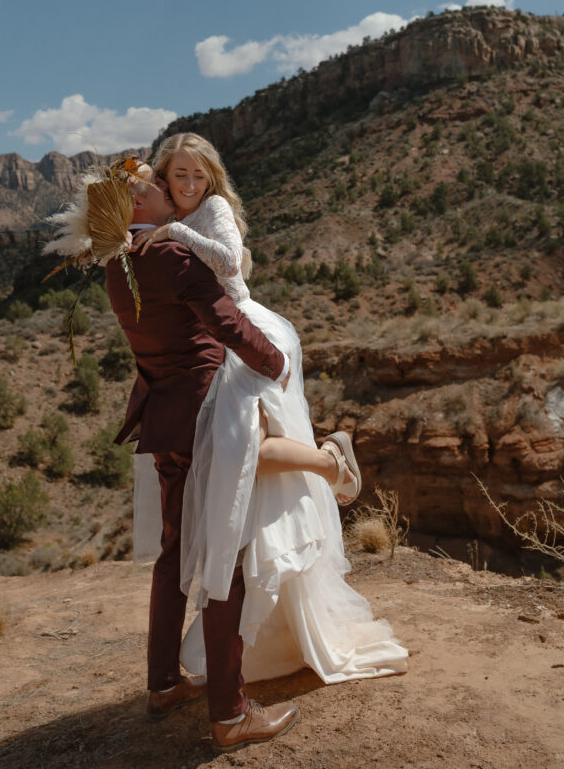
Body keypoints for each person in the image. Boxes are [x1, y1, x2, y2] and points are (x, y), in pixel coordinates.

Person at [132, 132, 408, 689]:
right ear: (163, 178)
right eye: (177, 175)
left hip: (245, 335)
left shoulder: (210, 211)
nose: (188, 184)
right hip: (216, 342)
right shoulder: (155, 231)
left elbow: (230, 262)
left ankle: (331, 462)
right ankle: (331, 461)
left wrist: (175, 230)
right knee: (248, 467)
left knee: (249, 457)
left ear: (211, 178)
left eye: (197, 175)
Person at [46, 162, 300, 752]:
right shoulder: (171, 259)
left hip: (162, 419)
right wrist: (277, 363)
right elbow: (227, 321)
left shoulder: (117, 266)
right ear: (137, 207)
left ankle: (163, 682)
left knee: (174, 553)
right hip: (208, 419)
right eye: (154, 185)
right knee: (225, 559)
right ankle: (231, 715)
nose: (164, 186)